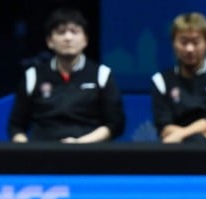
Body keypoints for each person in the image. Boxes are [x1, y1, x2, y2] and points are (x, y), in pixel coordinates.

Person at [7, 8, 125, 143]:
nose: (68, 38)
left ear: (85, 40)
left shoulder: (101, 75)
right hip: (43, 155)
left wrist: (79, 144)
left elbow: (115, 124)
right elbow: (16, 126)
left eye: (74, 31)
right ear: (50, 41)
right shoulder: (33, 76)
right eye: (61, 32)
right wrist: (29, 153)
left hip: (89, 151)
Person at [150, 11, 206, 143]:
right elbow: (164, 128)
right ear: (173, 43)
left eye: (196, 42)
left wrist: (183, 134)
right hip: (176, 154)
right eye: (183, 42)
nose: (189, 49)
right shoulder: (161, 81)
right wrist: (199, 137)